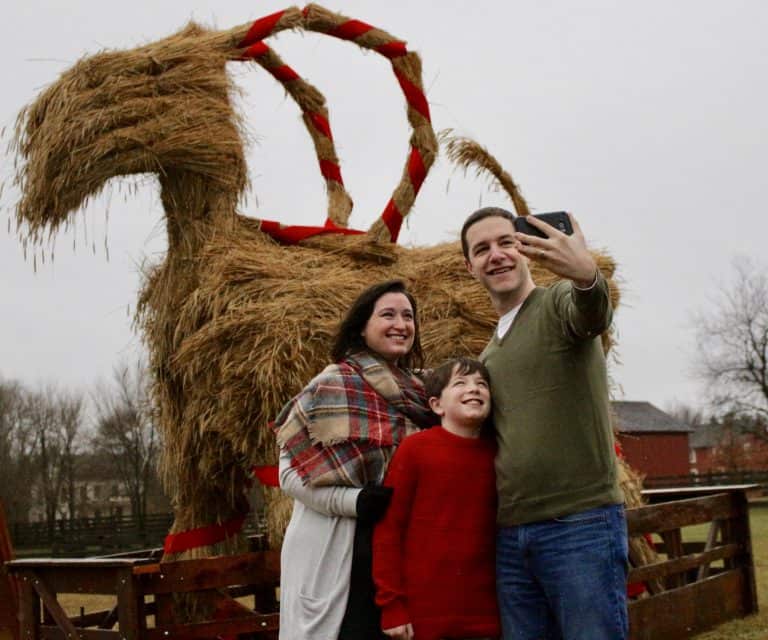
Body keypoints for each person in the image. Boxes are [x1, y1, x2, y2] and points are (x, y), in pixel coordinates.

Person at [461, 207, 628, 640]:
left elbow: (591, 312)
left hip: (578, 525)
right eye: (481, 249)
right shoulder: (489, 354)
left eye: (505, 242)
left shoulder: (556, 304)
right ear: (470, 266)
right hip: (512, 535)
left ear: (526, 249)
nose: (495, 255)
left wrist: (587, 276)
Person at [274, 279, 434, 640]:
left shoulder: (425, 394)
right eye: (388, 315)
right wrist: (354, 501)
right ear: (362, 327)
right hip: (338, 548)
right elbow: (290, 473)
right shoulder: (330, 386)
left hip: (396, 552)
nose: (401, 324)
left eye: (408, 316)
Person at [373, 357, 500, 640]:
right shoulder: (416, 450)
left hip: (488, 615)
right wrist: (392, 606)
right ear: (436, 405)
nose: (474, 388)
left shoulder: (499, 455)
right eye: (460, 383)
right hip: (426, 616)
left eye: (482, 384)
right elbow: (389, 530)